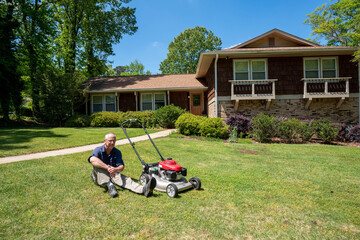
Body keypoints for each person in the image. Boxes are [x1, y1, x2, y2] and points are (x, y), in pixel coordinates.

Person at [88, 132, 156, 198]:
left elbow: (121, 166)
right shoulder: (98, 150)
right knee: (97, 166)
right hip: (99, 175)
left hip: (112, 173)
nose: (112, 143)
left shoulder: (117, 152)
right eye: (110, 141)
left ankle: (144, 189)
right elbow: (92, 159)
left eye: (114, 141)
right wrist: (107, 167)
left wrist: (116, 169)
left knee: (125, 180)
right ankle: (110, 186)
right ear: (105, 141)